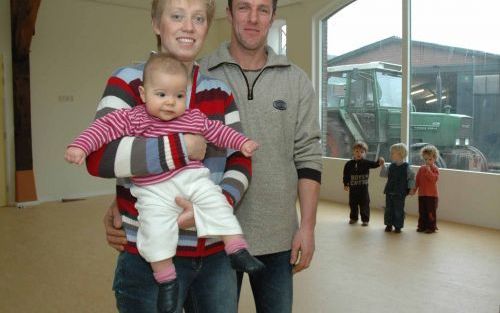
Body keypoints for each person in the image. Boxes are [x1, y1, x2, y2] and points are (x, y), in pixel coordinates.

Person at [66, 54, 265, 311]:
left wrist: (242, 143)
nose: (170, 102)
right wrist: (80, 146)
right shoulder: (135, 118)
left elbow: (220, 132)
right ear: (143, 93)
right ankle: (167, 279)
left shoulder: (193, 117)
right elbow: (102, 130)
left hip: (191, 178)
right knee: (155, 232)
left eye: (178, 96)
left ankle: (236, 248)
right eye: (161, 95)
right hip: (153, 189)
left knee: (215, 201)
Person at [195, 0, 323, 311]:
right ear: (229, 13)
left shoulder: (296, 80)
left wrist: (307, 227)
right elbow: (159, 134)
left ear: (273, 16)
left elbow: (308, 155)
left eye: (263, 9)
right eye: (244, 7)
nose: (253, 18)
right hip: (212, 235)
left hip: (278, 237)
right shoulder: (199, 73)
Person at [343, 141, 384, 226]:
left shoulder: (366, 163)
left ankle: (365, 220)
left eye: (362, 152)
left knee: (364, 204)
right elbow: (346, 175)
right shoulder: (349, 164)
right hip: (353, 190)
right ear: (353, 152)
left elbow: (375, 164)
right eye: (357, 151)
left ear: (365, 153)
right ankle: (353, 218)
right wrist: (345, 184)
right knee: (353, 204)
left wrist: (379, 161)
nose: (359, 153)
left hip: (363, 190)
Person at [380, 143, 415, 233]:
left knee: (398, 209)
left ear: (400, 154)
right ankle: (389, 225)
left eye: (392, 153)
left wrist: (411, 189)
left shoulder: (407, 167)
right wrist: (383, 165)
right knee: (388, 209)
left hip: (400, 192)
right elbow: (384, 174)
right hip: (389, 191)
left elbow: (411, 178)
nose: (391, 155)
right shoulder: (391, 166)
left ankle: (398, 226)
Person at [412, 145, 440, 234]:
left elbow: (434, 179)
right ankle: (422, 226)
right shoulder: (421, 169)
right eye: (425, 159)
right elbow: (417, 181)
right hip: (422, 194)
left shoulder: (435, 169)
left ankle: (431, 227)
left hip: (432, 196)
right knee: (422, 211)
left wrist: (428, 171)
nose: (427, 162)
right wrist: (414, 189)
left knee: (430, 212)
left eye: (430, 159)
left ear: (434, 158)